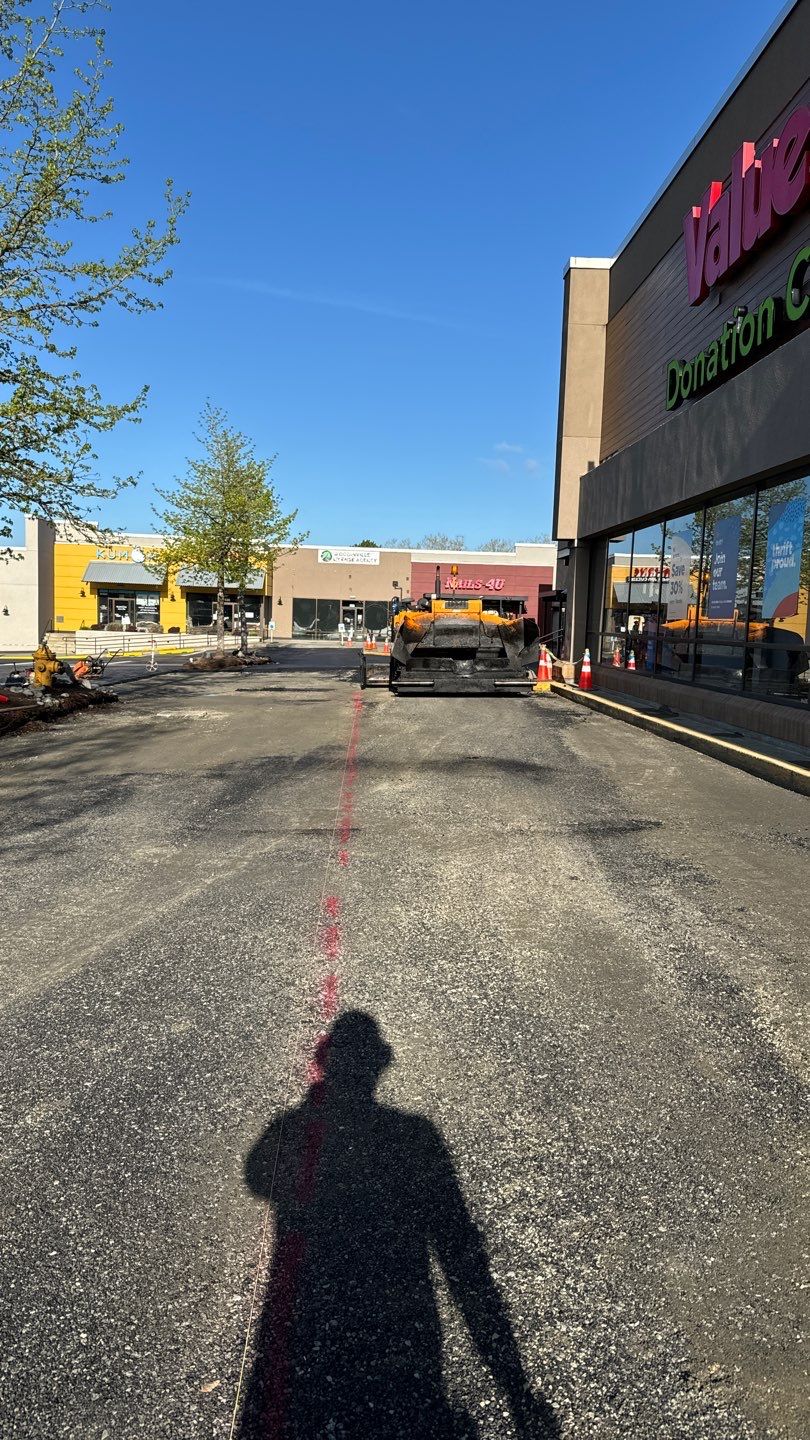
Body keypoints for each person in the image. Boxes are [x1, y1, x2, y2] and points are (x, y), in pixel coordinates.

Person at [238, 1012, 559, 1440]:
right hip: (404, 1348)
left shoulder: (292, 1136)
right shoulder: (414, 1139)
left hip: (304, 1353)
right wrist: (513, 1384)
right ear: (379, 1067)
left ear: (324, 1063)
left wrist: (316, 1108)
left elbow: (256, 1175)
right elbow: (463, 1262)